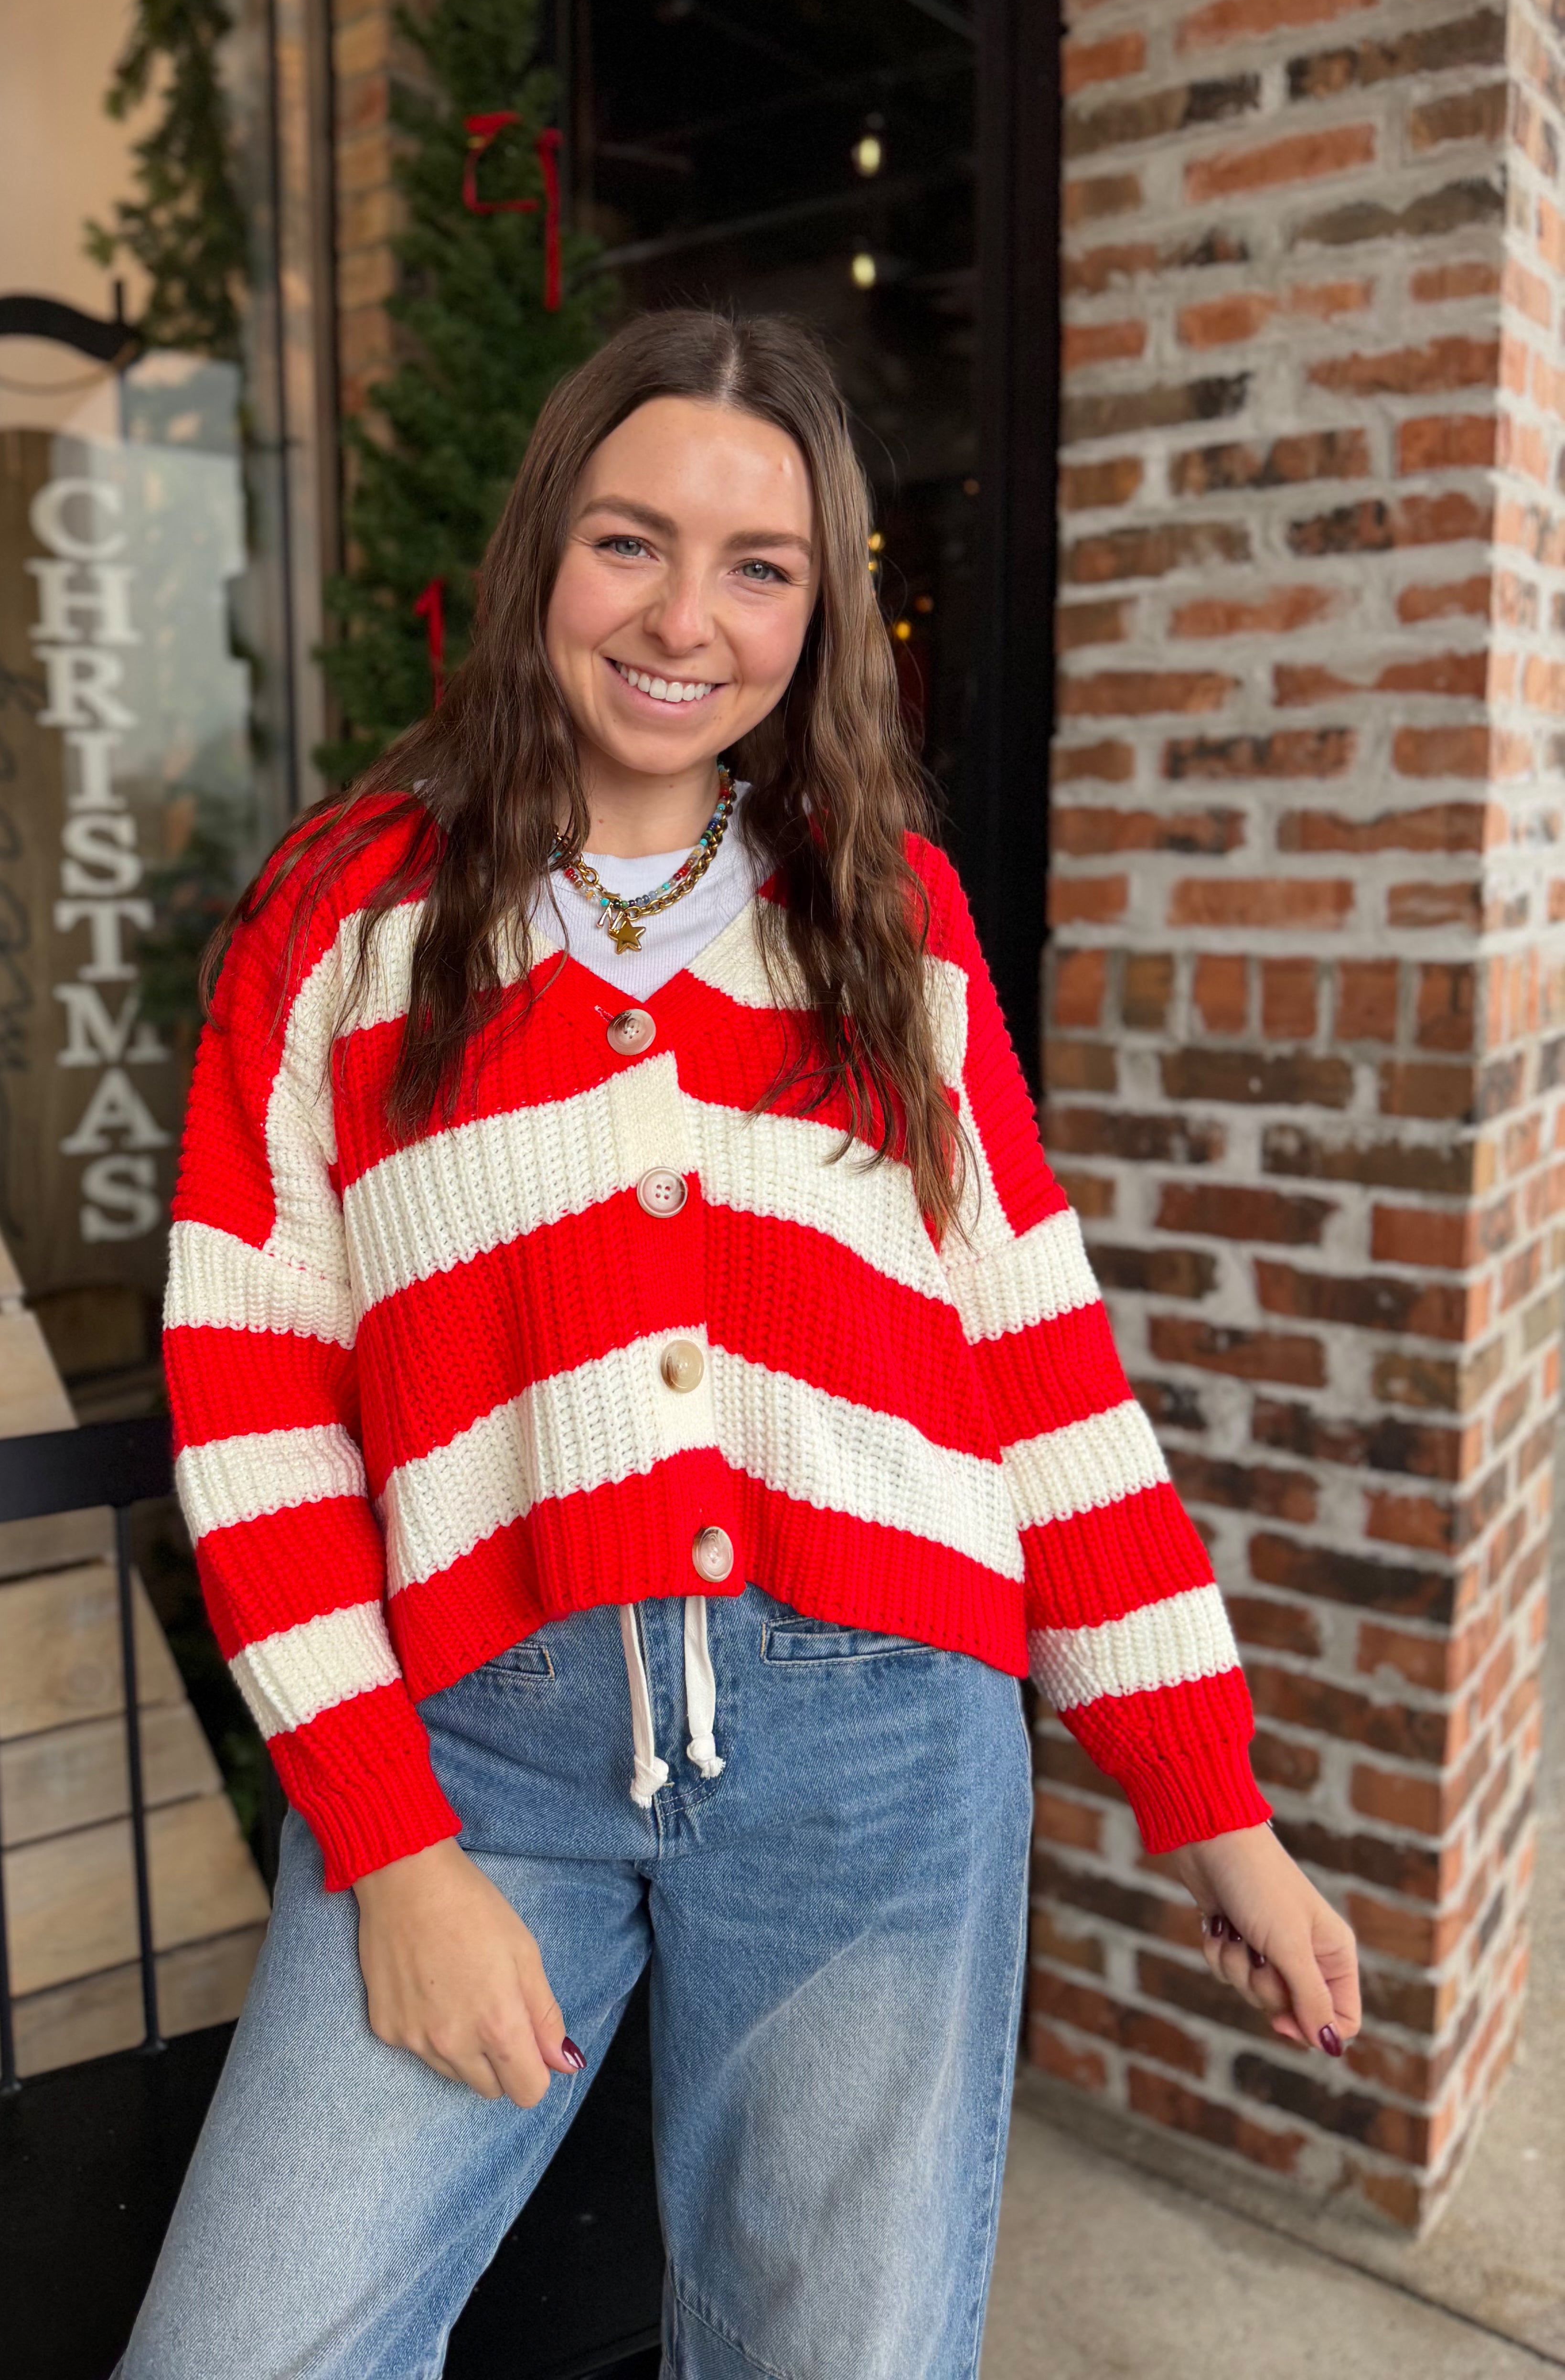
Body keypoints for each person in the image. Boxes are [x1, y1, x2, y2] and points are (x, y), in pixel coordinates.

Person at [119, 310, 1361, 2380]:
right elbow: (249, 1404)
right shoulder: (345, 920)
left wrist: (1204, 1791)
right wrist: (393, 1847)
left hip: (877, 1745)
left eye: (760, 565)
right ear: (543, 558)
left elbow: (1036, 1368)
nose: (688, 617)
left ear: (822, 605)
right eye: (631, 542)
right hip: (478, 1747)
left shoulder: (891, 919)